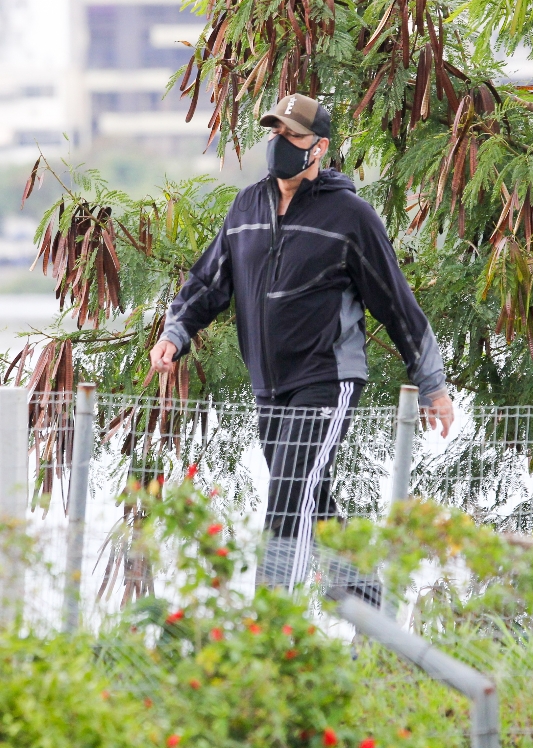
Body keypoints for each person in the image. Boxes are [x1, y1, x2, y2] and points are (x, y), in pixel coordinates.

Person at [150, 92, 454, 597]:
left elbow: (397, 304)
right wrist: (175, 334)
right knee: (310, 498)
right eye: (274, 133)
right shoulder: (246, 205)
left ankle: (270, 632)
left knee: (288, 497)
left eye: (290, 135)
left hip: (326, 380)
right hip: (268, 387)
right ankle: (370, 607)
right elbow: (209, 283)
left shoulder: (351, 216)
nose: (278, 144)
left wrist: (433, 386)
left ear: (319, 148)